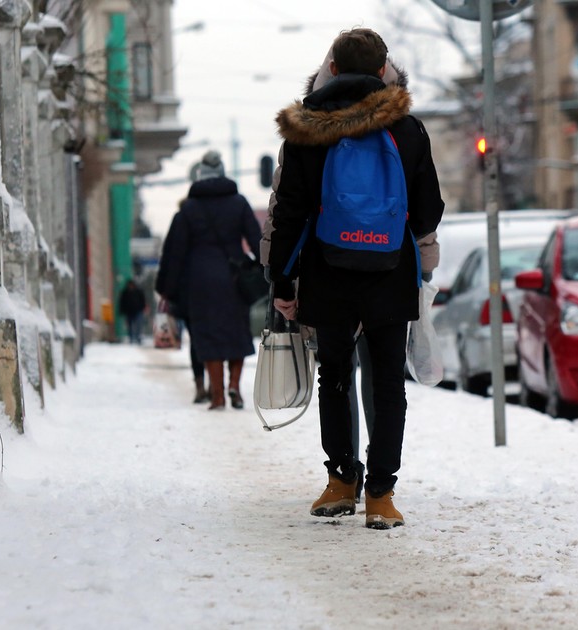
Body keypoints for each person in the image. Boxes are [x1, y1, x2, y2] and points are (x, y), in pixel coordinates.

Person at [266, 29, 444, 529]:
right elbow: (428, 209)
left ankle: (342, 481)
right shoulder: (408, 130)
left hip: (328, 268)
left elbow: (290, 212)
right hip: (389, 272)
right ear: (384, 70)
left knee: (335, 376)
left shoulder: (307, 129)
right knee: (388, 381)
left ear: (335, 70)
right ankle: (382, 496)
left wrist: (282, 281)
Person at [156, 150, 262, 410]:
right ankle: (234, 385)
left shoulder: (188, 210)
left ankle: (217, 395)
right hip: (234, 276)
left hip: (199, 280)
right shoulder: (239, 203)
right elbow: (258, 238)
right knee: (237, 333)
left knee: (209, 338)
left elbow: (175, 251)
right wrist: (263, 267)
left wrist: (167, 289)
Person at [118, 278, 147, 345]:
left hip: (138, 310)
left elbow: (143, 300)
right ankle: (131, 337)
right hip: (129, 311)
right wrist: (121, 311)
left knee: (138, 325)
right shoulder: (125, 292)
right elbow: (122, 302)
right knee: (130, 325)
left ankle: (138, 337)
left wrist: (143, 308)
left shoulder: (139, 291)